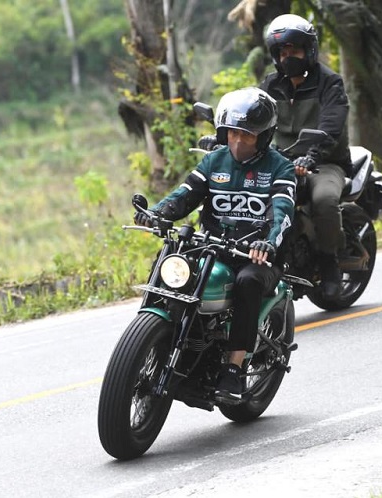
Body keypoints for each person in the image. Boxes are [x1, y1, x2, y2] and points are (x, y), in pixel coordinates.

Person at [134, 88, 296, 404]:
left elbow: (283, 214)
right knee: (170, 259)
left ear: (263, 137)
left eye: (247, 136)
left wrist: (269, 243)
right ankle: (150, 332)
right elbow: (184, 195)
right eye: (232, 133)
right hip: (212, 247)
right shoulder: (214, 161)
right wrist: (157, 213)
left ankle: (233, 368)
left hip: (257, 255)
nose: (237, 142)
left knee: (247, 282)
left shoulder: (280, 168)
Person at [259, 13, 351, 300]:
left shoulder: (329, 82)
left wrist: (312, 156)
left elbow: (331, 125)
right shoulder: (270, 85)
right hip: (281, 162)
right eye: (282, 52)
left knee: (324, 199)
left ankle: (329, 262)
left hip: (323, 162)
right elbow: (253, 117)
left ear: (309, 50)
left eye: (294, 50)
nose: (288, 57)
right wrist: (225, 136)